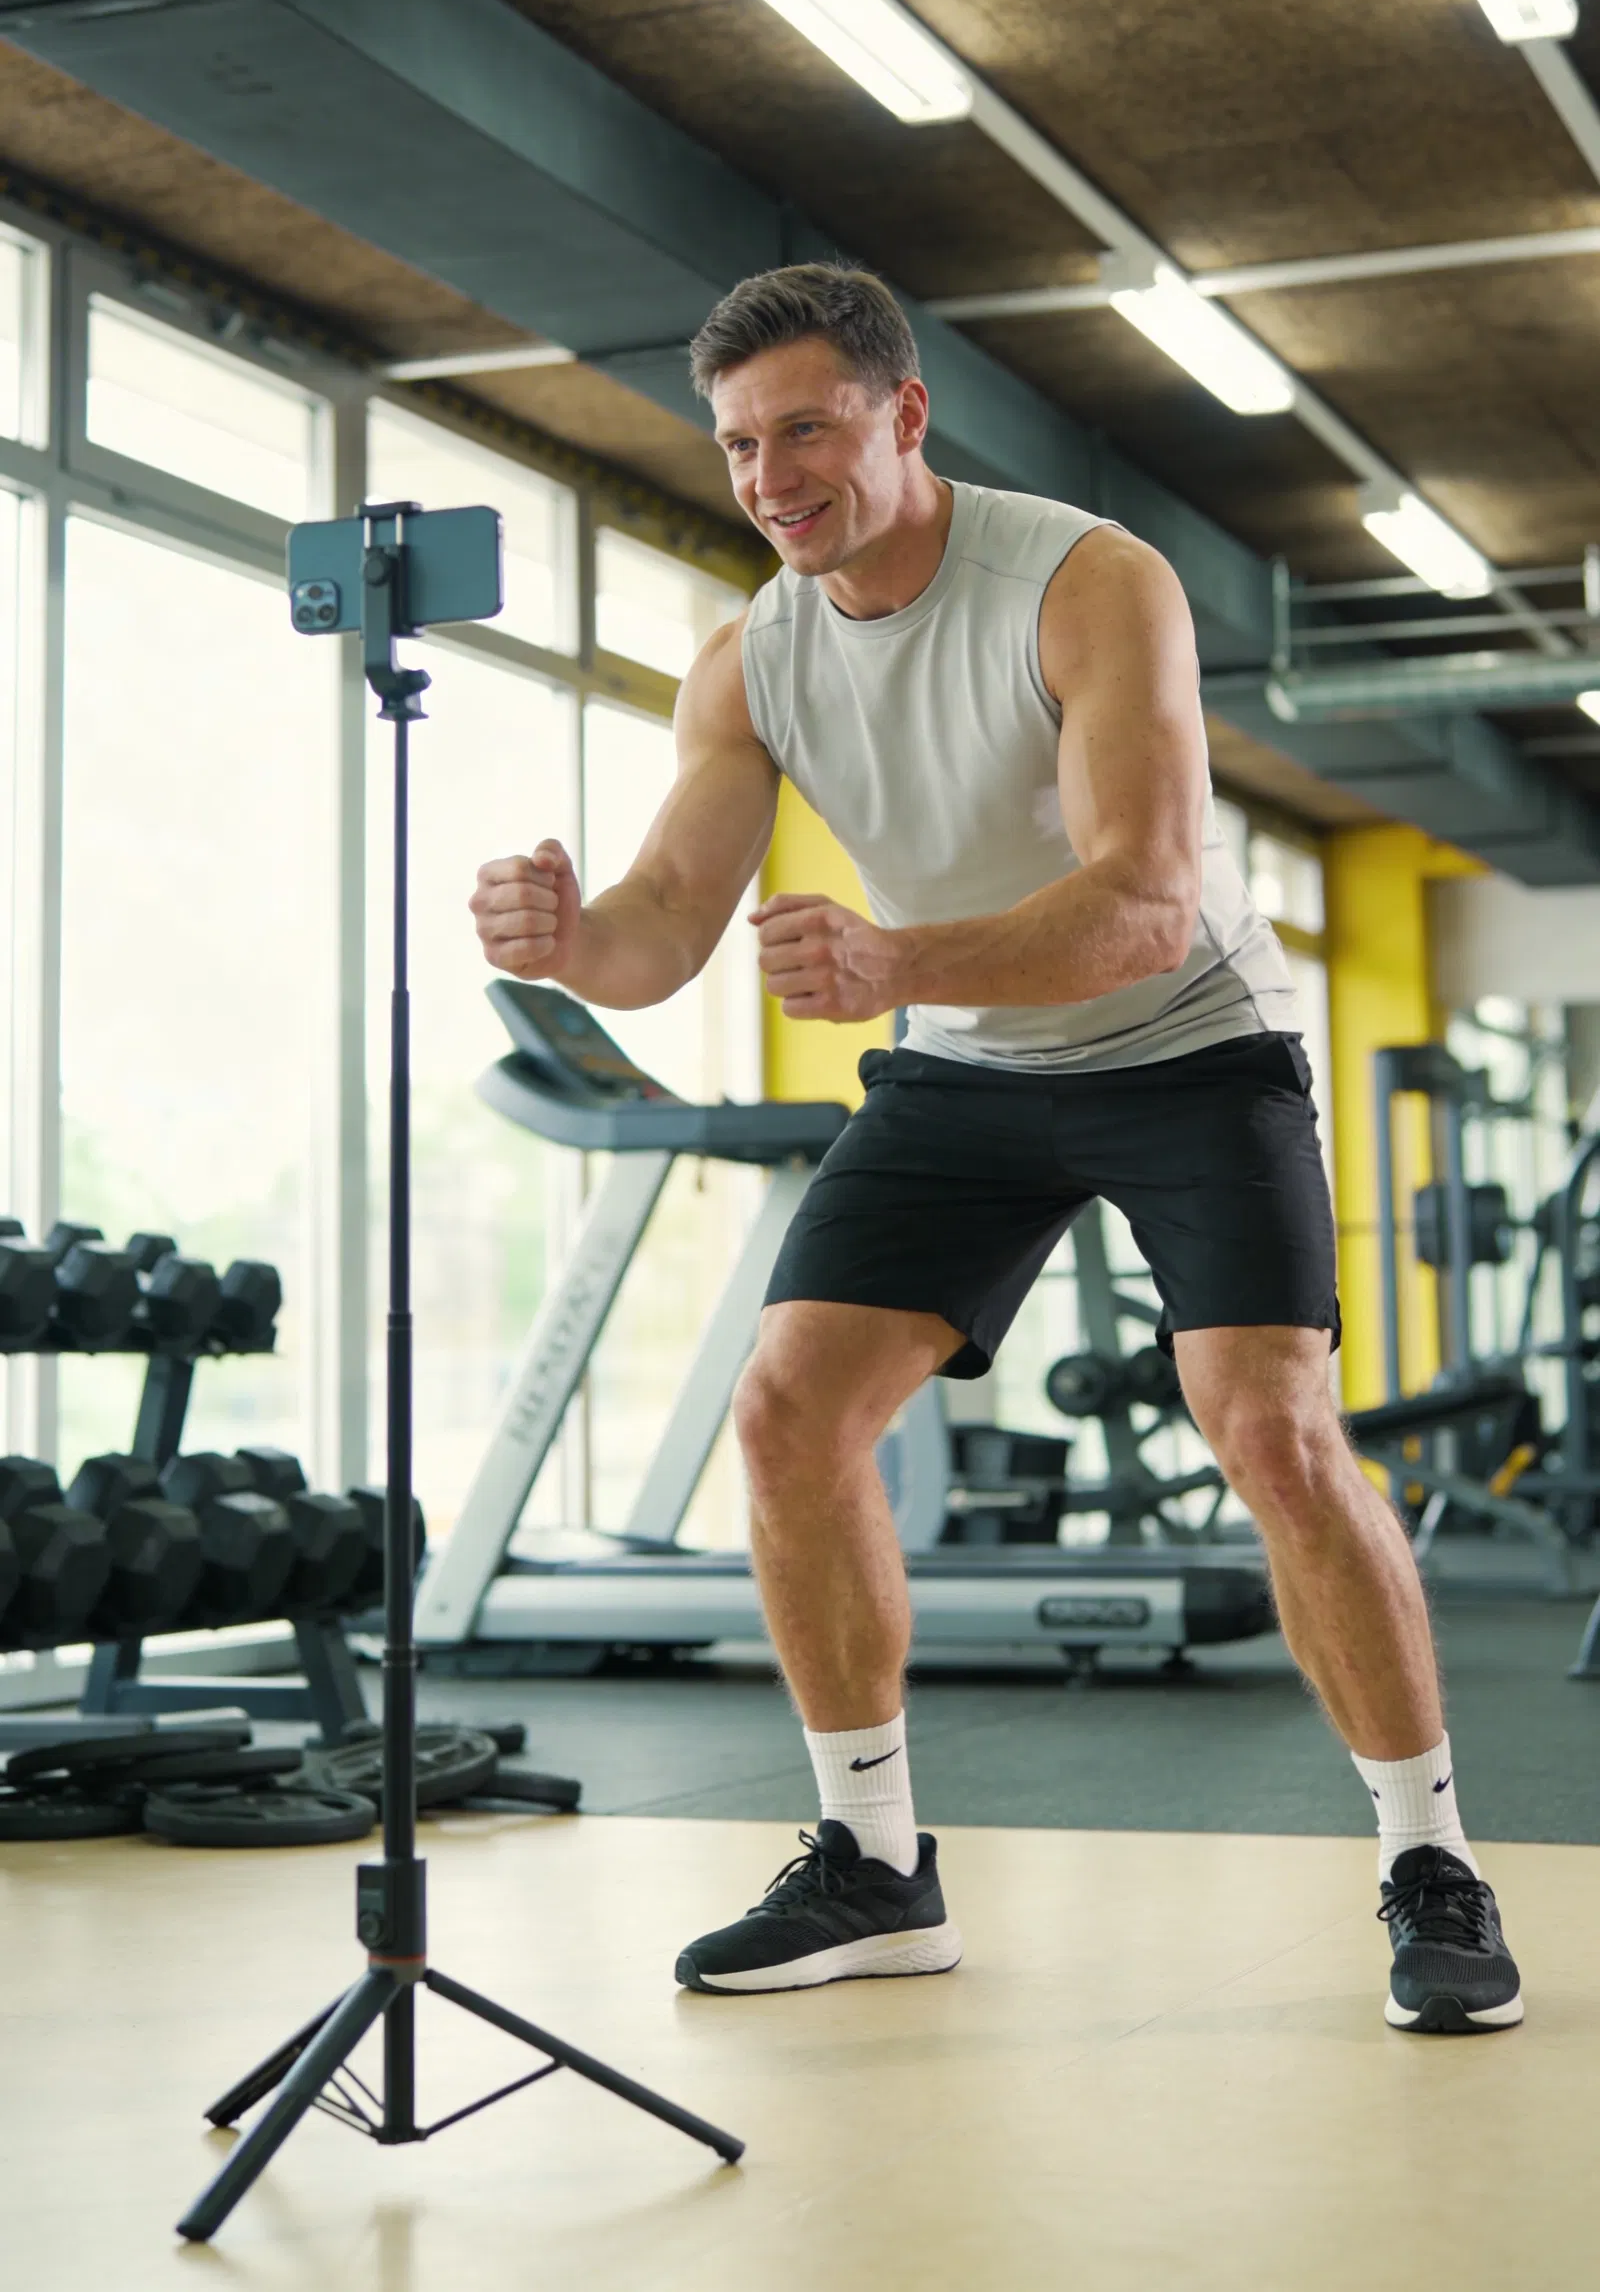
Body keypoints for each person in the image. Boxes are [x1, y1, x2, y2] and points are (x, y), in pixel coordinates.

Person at [468, 263, 1521, 2035]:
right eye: (738, 445)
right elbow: (661, 927)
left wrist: (894, 962)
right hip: (962, 1066)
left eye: (806, 429)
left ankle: (1432, 1858)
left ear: (905, 414)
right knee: (789, 1409)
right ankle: (875, 1863)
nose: (770, 477)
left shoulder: (1087, 583)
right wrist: (570, 942)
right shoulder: (753, 656)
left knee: (1268, 1425)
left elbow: (1146, 904)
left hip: (1188, 1046)